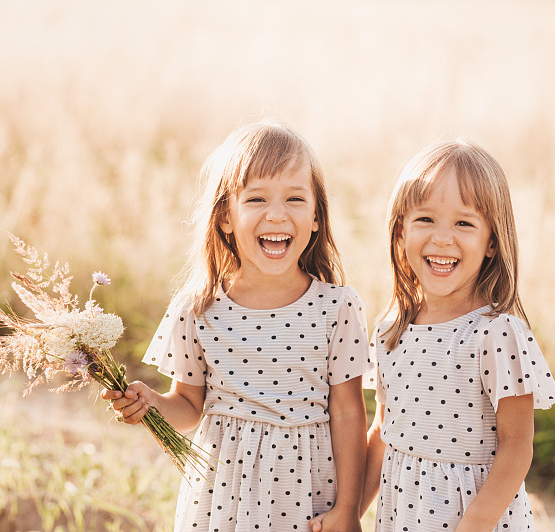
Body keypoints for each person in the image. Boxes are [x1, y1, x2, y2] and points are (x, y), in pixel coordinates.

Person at [103, 120, 372, 531]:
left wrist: (348, 508)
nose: (277, 214)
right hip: (221, 498)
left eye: (295, 199)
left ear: (317, 216)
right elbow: (189, 407)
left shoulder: (337, 307)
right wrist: (151, 404)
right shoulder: (198, 308)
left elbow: (348, 412)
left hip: (307, 496)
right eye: (257, 198)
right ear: (226, 217)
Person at [329, 139, 555, 531]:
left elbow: (517, 444)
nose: (442, 238)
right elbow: (384, 434)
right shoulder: (390, 330)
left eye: (464, 223)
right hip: (404, 517)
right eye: (425, 220)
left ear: (491, 242)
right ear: (400, 233)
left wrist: (476, 522)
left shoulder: (497, 333)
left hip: (475, 521)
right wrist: (348, 512)